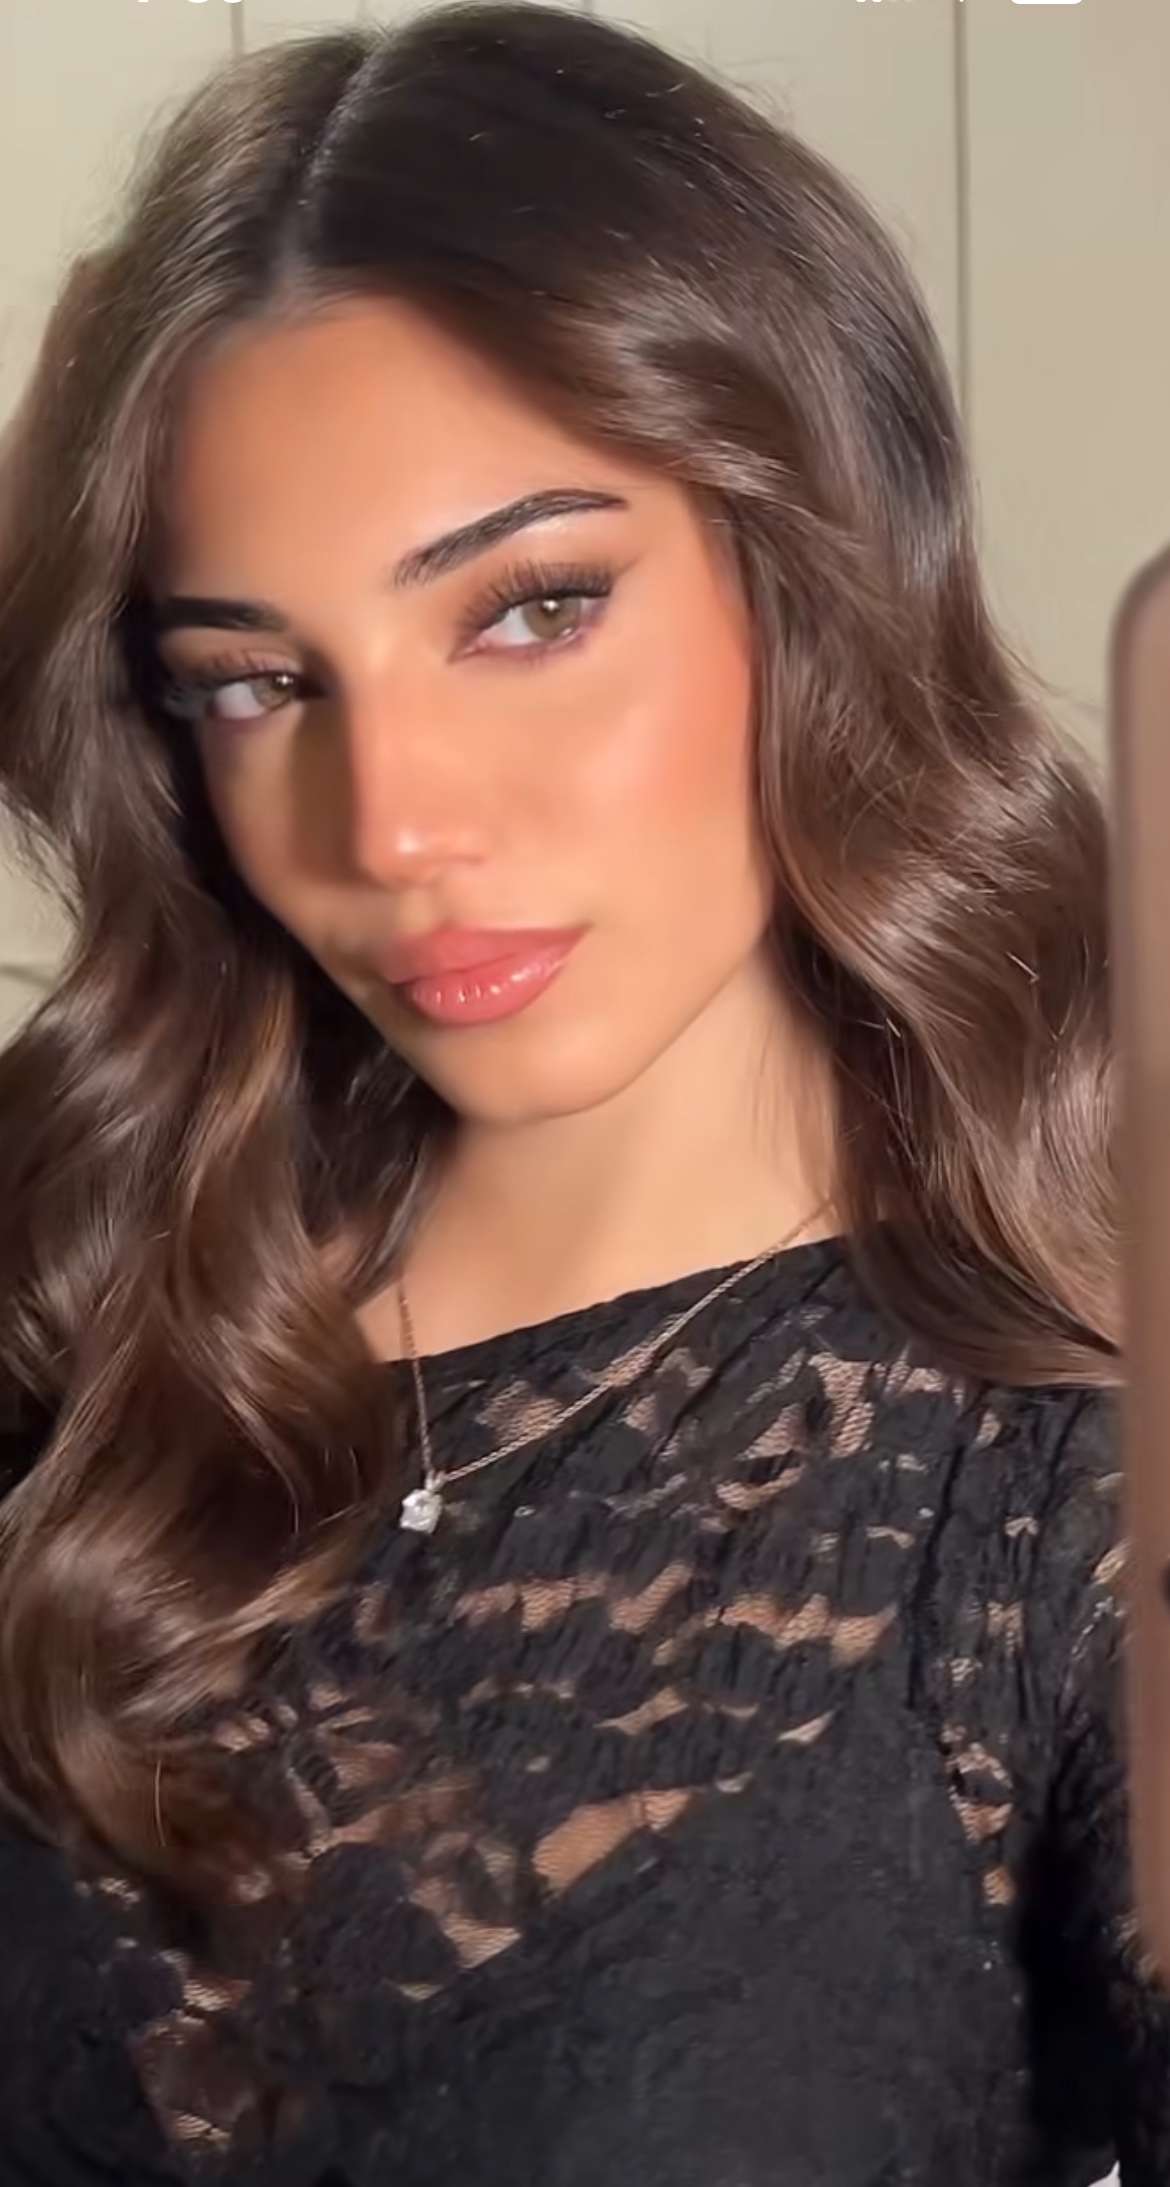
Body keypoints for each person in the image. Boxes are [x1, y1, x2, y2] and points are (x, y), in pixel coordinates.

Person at [0, 4, 1158, 2180]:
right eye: (252, 680)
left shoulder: (1062, 1473)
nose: (392, 822)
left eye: (531, 609)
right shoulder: (79, 1284)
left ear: (812, 566)